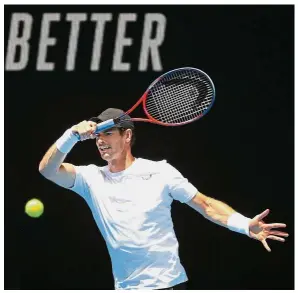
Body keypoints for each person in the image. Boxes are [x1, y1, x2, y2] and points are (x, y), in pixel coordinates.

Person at [39, 108, 288, 290]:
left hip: (166, 284)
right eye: (97, 136)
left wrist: (245, 224)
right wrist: (70, 135)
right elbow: (47, 170)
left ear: (126, 136)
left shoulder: (160, 172)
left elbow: (205, 204)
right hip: (125, 287)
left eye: (108, 133)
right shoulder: (90, 178)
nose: (100, 141)